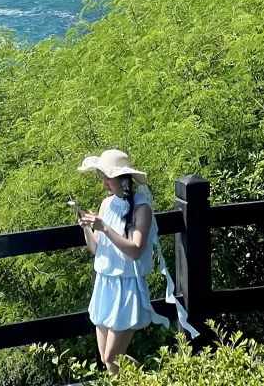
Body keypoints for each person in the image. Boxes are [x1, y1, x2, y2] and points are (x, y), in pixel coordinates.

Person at [74, 148, 197, 375]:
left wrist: (105, 228)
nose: (103, 183)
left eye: (106, 178)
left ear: (122, 178)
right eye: (101, 178)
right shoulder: (106, 204)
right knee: (107, 358)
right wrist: (87, 229)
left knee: (111, 356)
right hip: (105, 285)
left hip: (126, 288)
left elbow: (135, 251)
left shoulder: (142, 208)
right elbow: (97, 249)